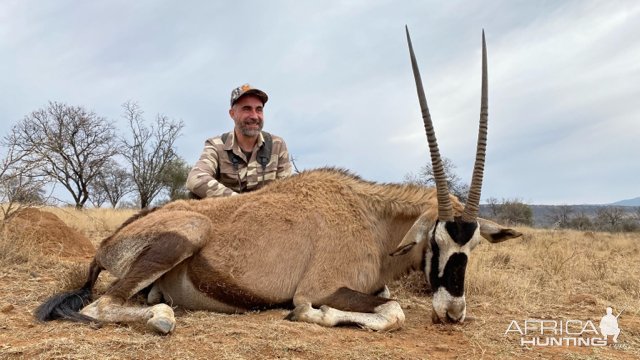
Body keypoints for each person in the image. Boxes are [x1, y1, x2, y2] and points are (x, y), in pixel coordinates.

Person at [186, 84, 292, 198]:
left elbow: (286, 190)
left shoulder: (277, 145)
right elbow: (195, 178)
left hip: (267, 213)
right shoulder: (216, 146)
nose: (254, 116)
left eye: (259, 110)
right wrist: (238, 202)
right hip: (227, 213)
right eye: (247, 109)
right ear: (232, 114)